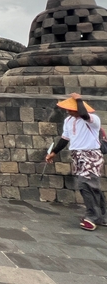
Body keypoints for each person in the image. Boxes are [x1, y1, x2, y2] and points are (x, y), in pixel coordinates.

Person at [46, 93, 105, 230]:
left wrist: (79, 100)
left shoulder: (92, 119)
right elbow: (65, 139)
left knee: (85, 184)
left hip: (91, 155)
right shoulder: (68, 121)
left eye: (71, 109)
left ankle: (92, 216)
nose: (68, 111)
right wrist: (54, 152)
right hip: (77, 155)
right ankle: (102, 215)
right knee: (92, 186)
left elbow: (85, 115)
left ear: (79, 108)